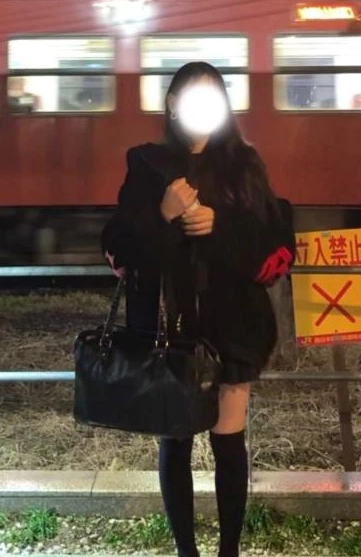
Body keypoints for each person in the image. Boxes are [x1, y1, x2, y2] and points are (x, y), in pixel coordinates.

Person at [100, 61, 295, 557]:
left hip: (234, 328)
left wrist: (219, 228)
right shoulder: (146, 165)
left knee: (229, 442)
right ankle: (186, 551)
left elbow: (274, 245)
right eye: (192, 96)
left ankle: (229, 550)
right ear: (171, 104)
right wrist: (162, 214)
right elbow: (121, 248)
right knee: (176, 441)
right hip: (171, 330)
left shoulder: (243, 164)